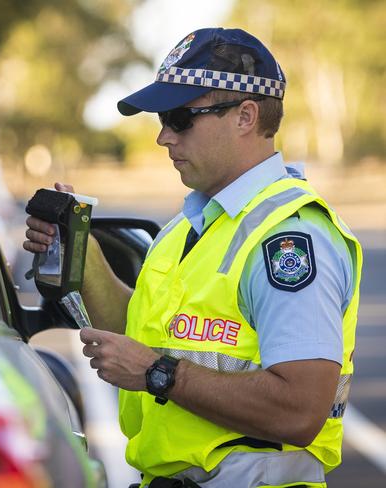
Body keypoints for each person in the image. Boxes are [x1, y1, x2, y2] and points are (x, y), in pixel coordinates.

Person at [23, 27, 362, 488]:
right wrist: (81, 255)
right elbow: (145, 334)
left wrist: (158, 375)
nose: (163, 137)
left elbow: (301, 409)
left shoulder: (288, 238)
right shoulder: (189, 224)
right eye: (161, 120)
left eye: (180, 118)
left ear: (245, 116)